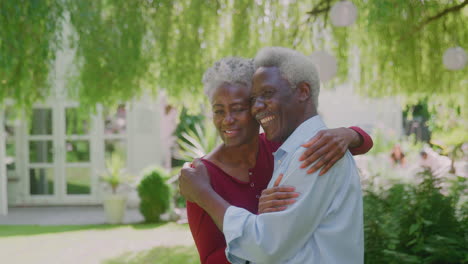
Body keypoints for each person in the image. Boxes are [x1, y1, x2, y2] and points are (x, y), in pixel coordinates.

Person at [181, 52, 368, 263]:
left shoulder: (284, 148)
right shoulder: (198, 179)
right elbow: (211, 258)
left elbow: (269, 243)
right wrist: (260, 226)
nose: (228, 120)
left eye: (239, 108)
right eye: (218, 111)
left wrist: (352, 135)